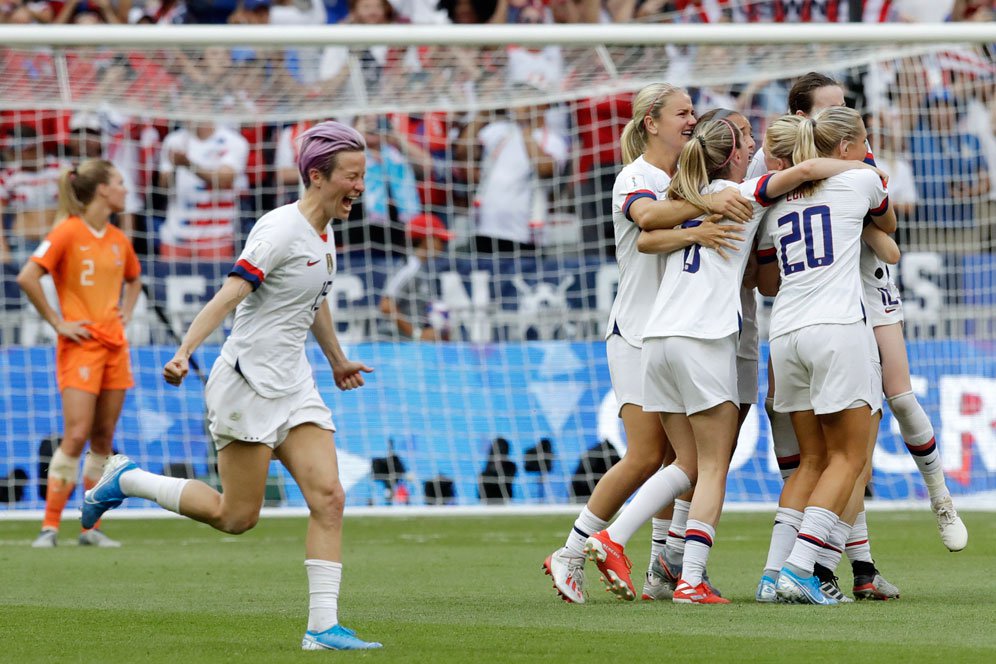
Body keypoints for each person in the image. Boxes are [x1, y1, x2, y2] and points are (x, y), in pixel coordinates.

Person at [80, 121, 382, 651]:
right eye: (352, 177)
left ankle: (321, 628)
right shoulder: (278, 230)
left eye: (362, 176)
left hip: (295, 386)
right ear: (317, 175)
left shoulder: (322, 231)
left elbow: (313, 300)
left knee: (330, 498)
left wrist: (336, 361)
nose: (360, 187)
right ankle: (126, 480)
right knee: (235, 516)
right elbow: (231, 293)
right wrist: (184, 351)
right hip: (247, 384)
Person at [542, 83, 755, 604]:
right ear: (651, 123)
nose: (691, 120)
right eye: (682, 113)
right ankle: (574, 550)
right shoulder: (637, 176)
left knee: (681, 459)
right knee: (646, 455)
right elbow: (646, 223)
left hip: (677, 328)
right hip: (639, 332)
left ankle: (665, 563)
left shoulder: (693, 177)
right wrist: (700, 222)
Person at [756, 106, 897, 605]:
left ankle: (773, 576)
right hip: (837, 329)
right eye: (862, 142)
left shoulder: (774, 202)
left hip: (785, 334)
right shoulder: (863, 181)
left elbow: (766, 282)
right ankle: (801, 568)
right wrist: (865, 175)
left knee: (810, 461)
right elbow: (890, 230)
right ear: (845, 147)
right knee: (851, 457)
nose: (866, 151)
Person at [16, 158, 141, 548]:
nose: (125, 188)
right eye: (120, 181)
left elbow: (134, 279)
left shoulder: (119, 239)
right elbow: (27, 276)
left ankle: (91, 529)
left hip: (115, 347)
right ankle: (50, 526)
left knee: (103, 438)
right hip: (81, 348)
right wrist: (57, 322)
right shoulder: (68, 232)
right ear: (102, 189)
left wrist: (128, 311)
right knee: (75, 434)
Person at [379, 212, 453, 341]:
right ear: (426, 240)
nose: (443, 245)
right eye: (440, 239)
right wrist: (417, 334)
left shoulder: (420, 266)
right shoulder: (410, 267)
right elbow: (386, 305)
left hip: (405, 343)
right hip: (392, 344)